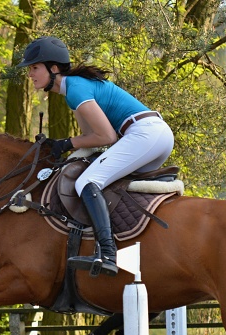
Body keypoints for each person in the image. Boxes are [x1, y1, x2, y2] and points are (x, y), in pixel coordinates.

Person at [17, 36, 175, 277]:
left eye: (34, 68)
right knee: (104, 181)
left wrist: (65, 143)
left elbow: (106, 136)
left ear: (54, 68)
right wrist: (62, 147)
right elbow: (90, 137)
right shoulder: (74, 90)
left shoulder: (76, 89)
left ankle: (108, 253)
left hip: (145, 134)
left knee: (87, 182)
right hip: (153, 136)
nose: (30, 74)